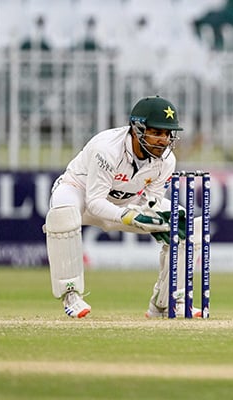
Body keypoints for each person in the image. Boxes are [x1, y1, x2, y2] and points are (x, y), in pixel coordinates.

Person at [44, 95, 200, 318]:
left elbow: (152, 201)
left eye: (167, 134)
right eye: (156, 133)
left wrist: (152, 216)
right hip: (80, 192)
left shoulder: (167, 160)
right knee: (64, 214)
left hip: (127, 202)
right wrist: (128, 216)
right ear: (137, 129)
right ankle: (71, 296)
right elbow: (95, 202)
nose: (163, 140)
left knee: (183, 223)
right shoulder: (107, 149)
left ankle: (167, 303)